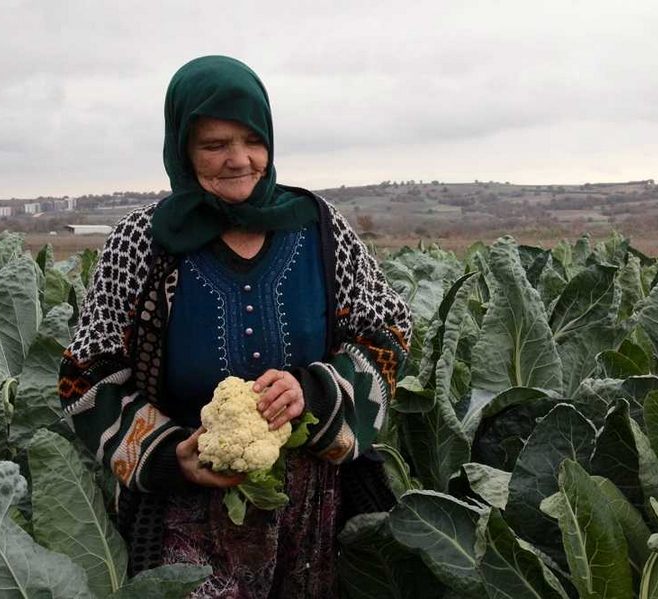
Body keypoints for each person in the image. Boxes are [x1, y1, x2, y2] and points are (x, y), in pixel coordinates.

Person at [58, 55, 411, 598]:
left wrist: (317, 391)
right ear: (181, 148)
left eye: (253, 140)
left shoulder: (317, 227)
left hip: (313, 509)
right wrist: (168, 454)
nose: (239, 160)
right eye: (214, 145)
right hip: (185, 514)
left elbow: (387, 329)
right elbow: (86, 374)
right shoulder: (144, 243)